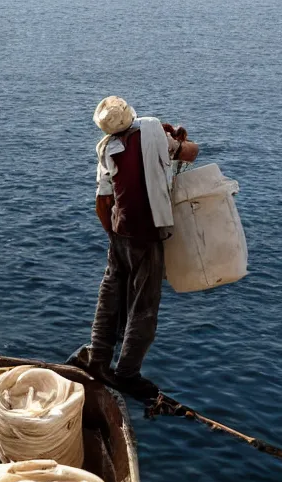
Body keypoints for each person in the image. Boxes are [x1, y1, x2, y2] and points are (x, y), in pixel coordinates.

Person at [67, 96, 197, 399]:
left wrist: (113, 234)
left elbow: (103, 201)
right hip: (147, 234)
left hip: (119, 232)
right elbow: (189, 154)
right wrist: (178, 141)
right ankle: (127, 373)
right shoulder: (152, 128)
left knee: (109, 297)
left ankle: (99, 360)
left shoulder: (105, 148)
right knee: (145, 306)